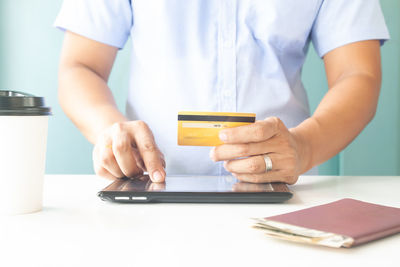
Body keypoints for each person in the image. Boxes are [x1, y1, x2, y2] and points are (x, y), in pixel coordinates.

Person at [55, 0, 389, 185]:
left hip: (282, 192)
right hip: (152, 188)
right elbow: (81, 67)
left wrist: (305, 146)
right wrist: (110, 131)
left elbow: (357, 73)